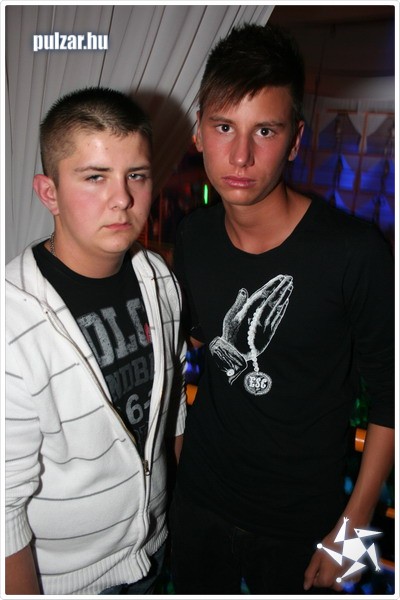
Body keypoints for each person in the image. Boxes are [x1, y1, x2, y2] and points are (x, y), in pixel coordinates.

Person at [170, 23, 394, 595]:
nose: (240, 155)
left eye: (264, 130)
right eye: (224, 127)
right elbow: (193, 349)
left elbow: (392, 398)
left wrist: (354, 534)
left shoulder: (355, 253)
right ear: (199, 132)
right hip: (199, 504)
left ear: (295, 140)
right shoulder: (193, 237)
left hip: (306, 525)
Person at [5, 87, 187, 595]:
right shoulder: (12, 322)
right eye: (95, 177)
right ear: (49, 193)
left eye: (137, 175)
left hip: (154, 554)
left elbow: (171, 408)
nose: (122, 198)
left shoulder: (158, 279)